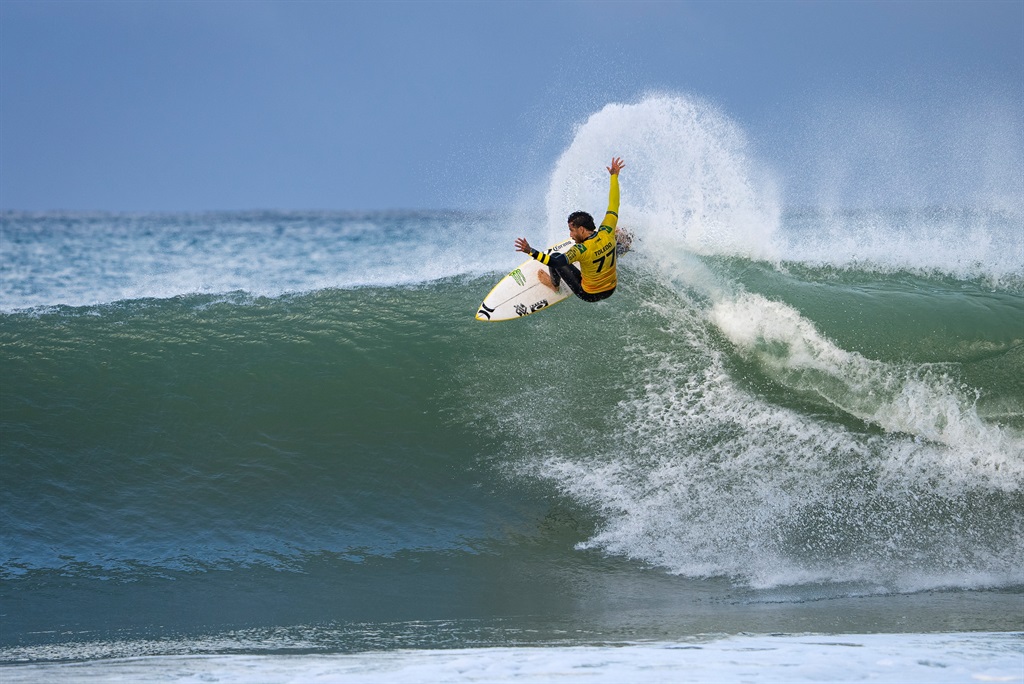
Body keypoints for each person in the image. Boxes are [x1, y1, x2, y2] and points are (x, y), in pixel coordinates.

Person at [514, 157, 626, 303]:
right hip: (611, 289)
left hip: (590, 294)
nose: (570, 235)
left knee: (555, 255)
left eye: (572, 230)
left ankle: (554, 285)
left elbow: (555, 262)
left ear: (581, 229)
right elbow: (614, 203)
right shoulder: (607, 230)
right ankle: (624, 246)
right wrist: (614, 176)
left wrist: (530, 251)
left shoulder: (580, 249)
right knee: (617, 234)